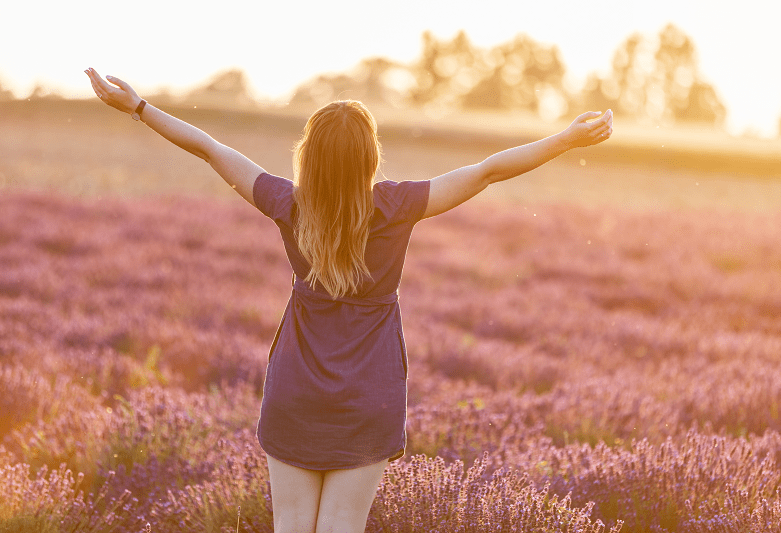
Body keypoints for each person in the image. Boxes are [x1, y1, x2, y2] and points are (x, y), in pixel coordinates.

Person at [84, 66, 612, 533]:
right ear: (369, 157)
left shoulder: (288, 203)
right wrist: (565, 139)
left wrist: (139, 107)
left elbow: (211, 149)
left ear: (308, 157)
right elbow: (488, 171)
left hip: (295, 390)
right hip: (368, 395)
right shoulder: (396, 206)